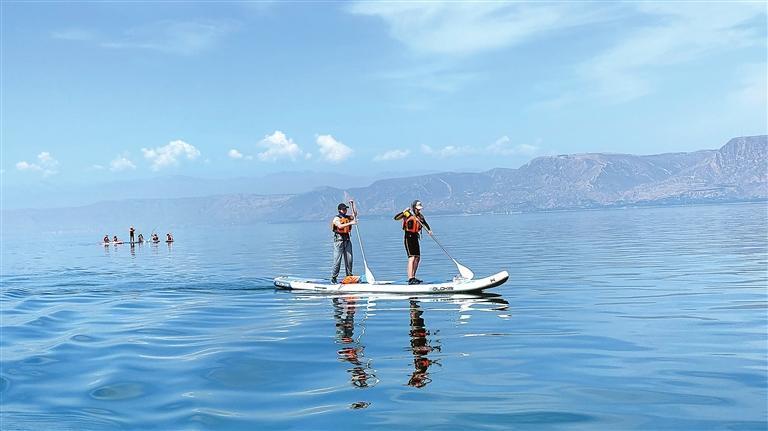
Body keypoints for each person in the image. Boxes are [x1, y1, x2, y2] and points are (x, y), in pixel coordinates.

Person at [394, 200, 432, 285]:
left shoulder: (420, 217)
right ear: (414, 208)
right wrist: (403, 212)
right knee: (412, 257)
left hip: (415, 237)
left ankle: (414, 277)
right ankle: (410, 278)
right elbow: (396, 218)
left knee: (417, 258)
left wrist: (429, 230)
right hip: (409, 237)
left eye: (420, 209)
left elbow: (425, 223)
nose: (419, 210)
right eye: (417, 209)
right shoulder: (408, 214)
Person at [331, 202, 357, 284]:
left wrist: (353, 205)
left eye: (346, 209)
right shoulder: (336, 218)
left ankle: (349, 277)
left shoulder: (348, 217)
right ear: (339, 210)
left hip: (347, 240)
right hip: (339, 241)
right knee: (337, 261)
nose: (345, 210)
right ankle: (334, 278)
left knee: (349, 259)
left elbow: (355, 214)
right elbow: (340, 226)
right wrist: (351, 223)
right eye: (343, 209)